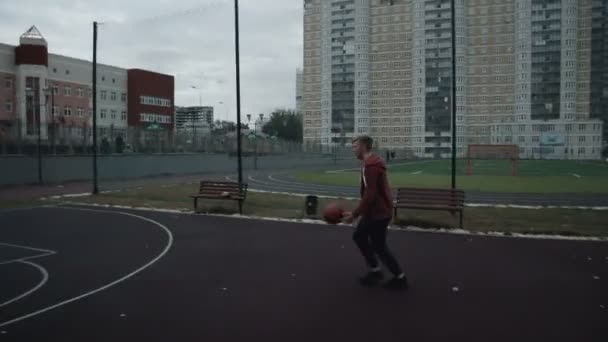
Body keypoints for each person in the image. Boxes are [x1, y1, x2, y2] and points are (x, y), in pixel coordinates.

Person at [343, 135, 408, 290]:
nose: (353, 149)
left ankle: (399, 277)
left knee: (378, 246)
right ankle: (376, 270)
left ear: (364, 146)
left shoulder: (370, 166)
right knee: (360, 237)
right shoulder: (370, 163)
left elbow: (370, 194)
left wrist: (354, 214)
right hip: (375, 212)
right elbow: (371, 194)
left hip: (378, 213)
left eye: (355, 146)